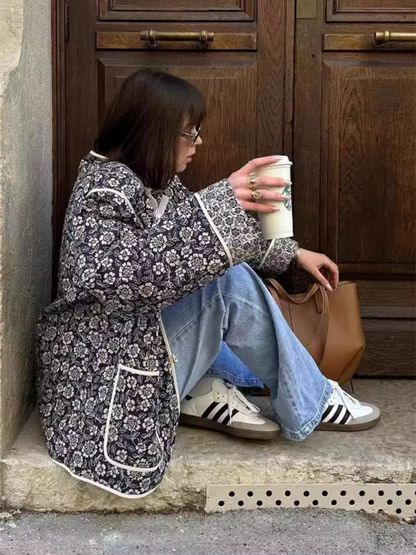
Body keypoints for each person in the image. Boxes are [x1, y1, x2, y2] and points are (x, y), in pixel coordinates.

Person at [36, 68, 380, 499]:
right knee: (229, 284)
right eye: (189, 133)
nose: (199, 144)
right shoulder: (105, 190)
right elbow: (132, 276)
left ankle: (204, 391)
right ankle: (311, 400)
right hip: (108, 376)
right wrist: (218, 203)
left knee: (252, 362)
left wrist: (291, 254)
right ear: (155, 132)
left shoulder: (150, 182)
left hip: (141, 341)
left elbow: (192, 240)